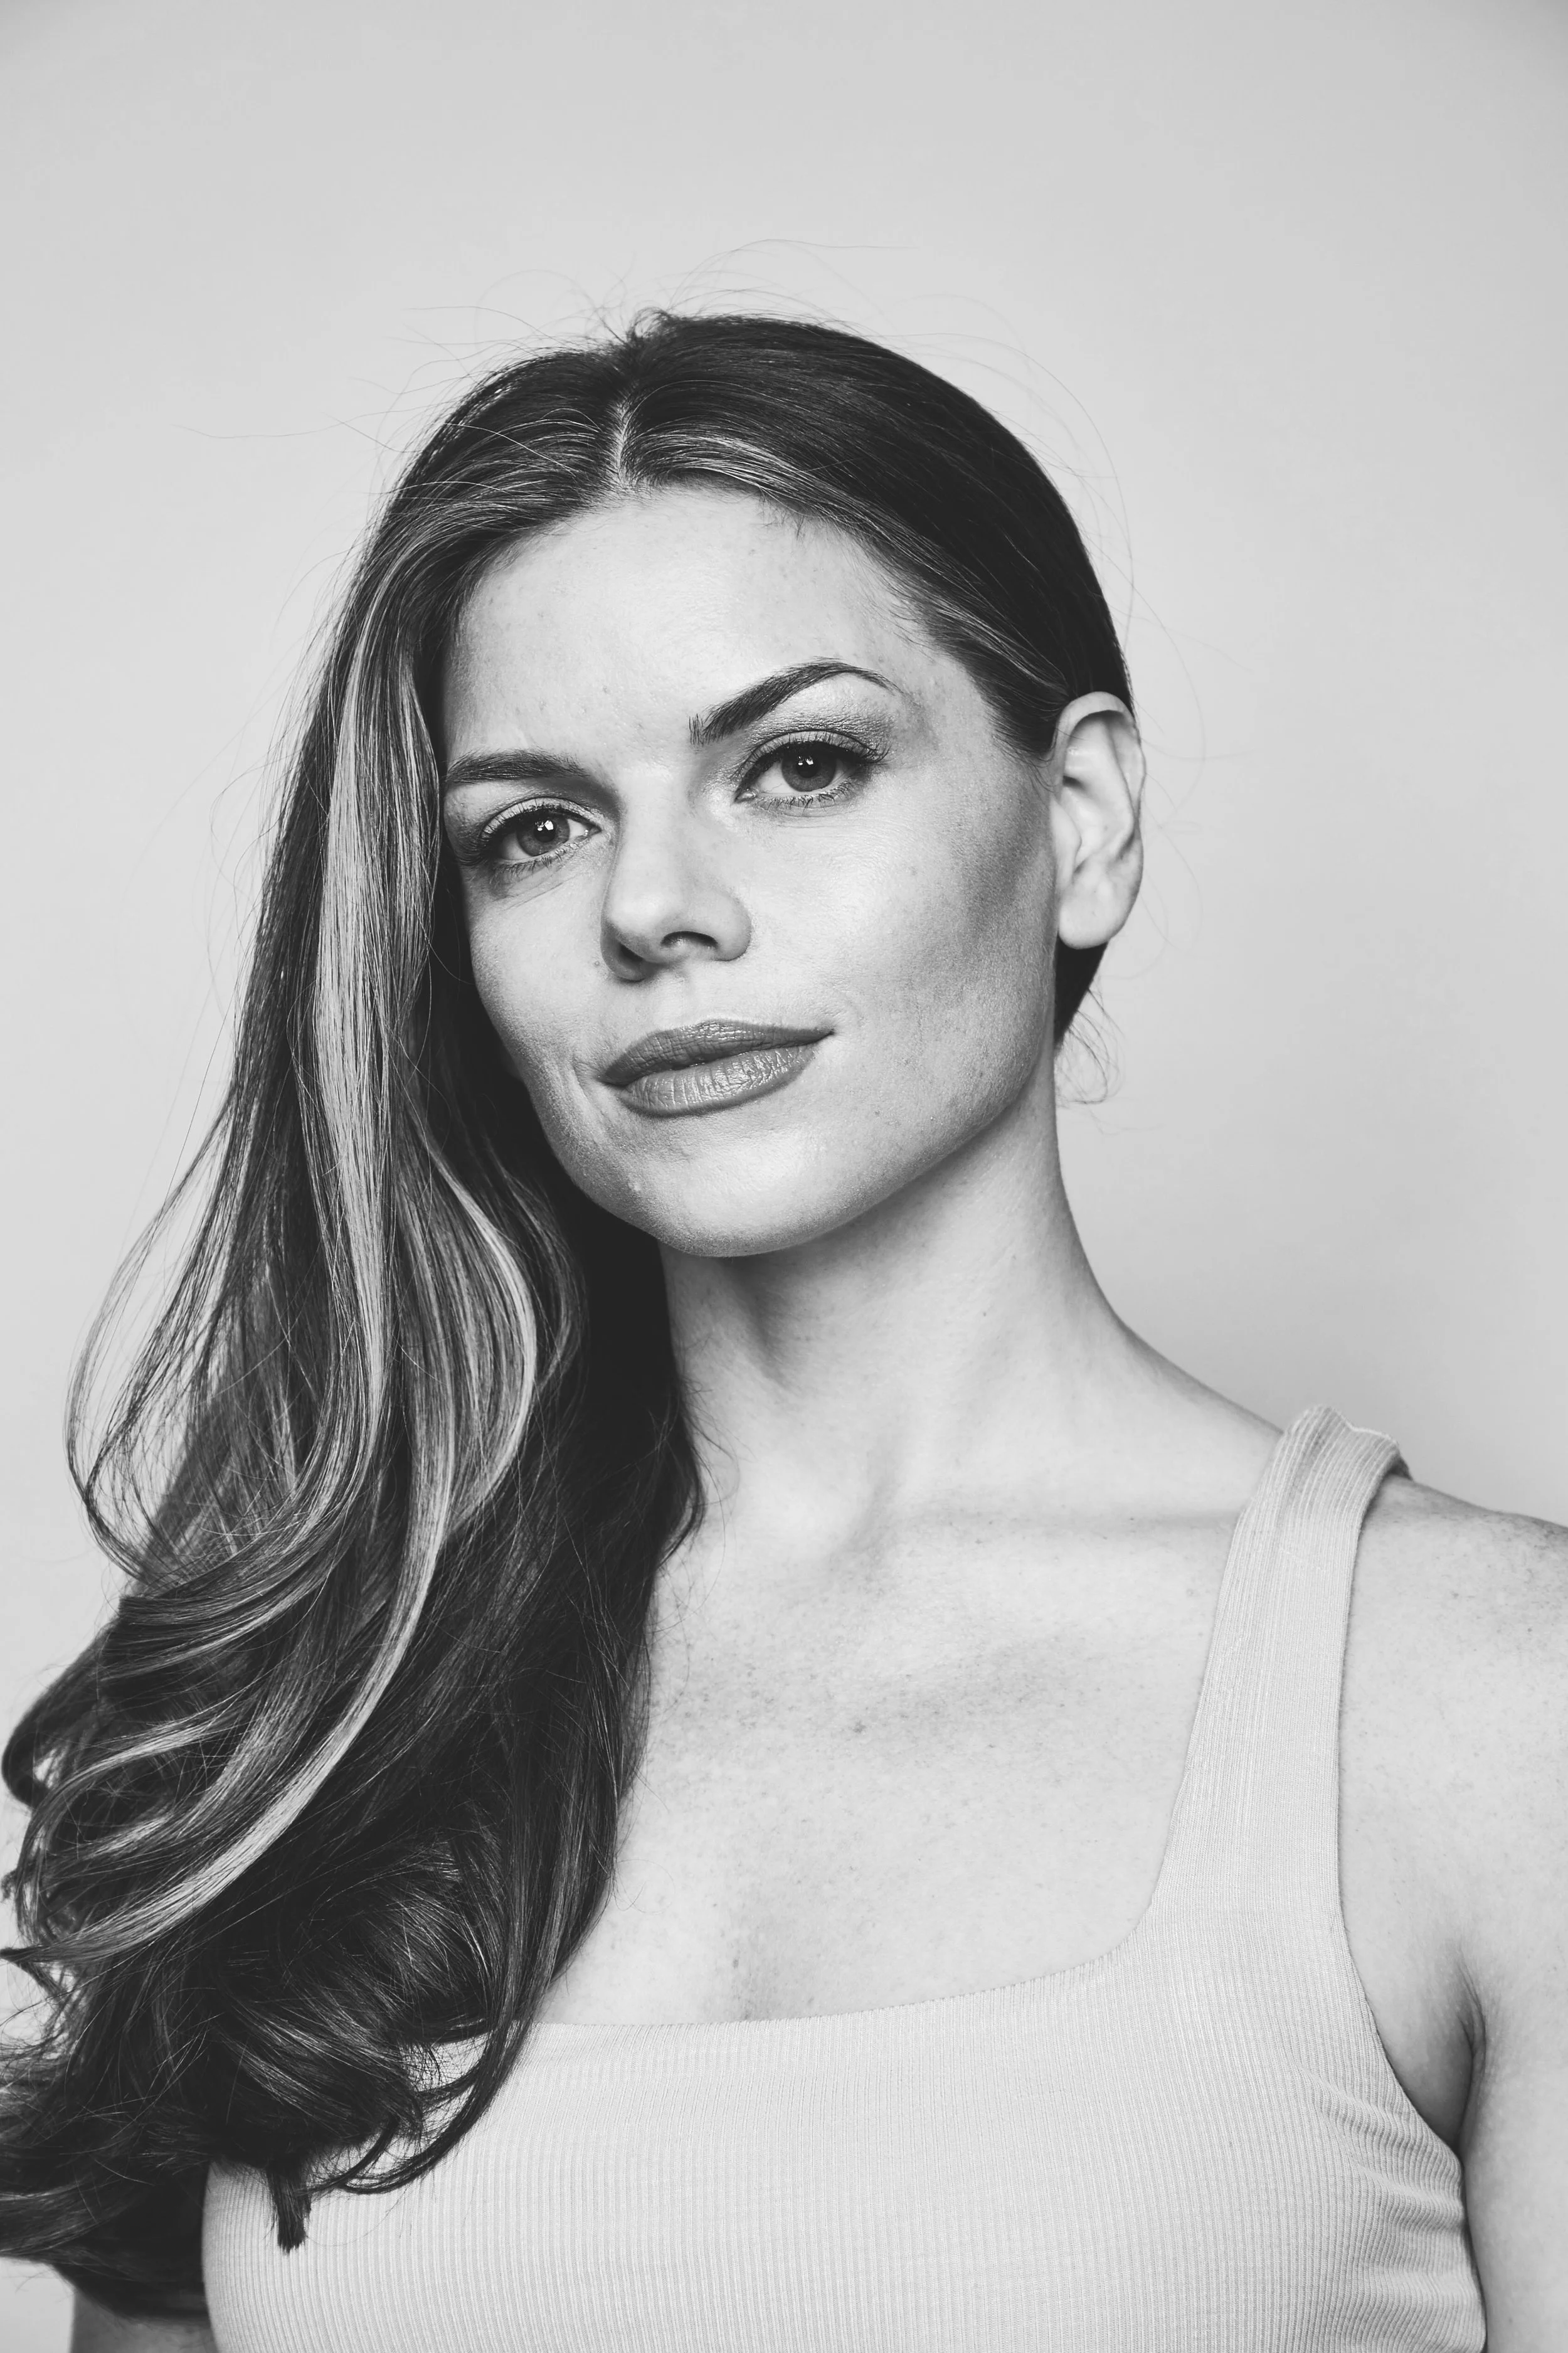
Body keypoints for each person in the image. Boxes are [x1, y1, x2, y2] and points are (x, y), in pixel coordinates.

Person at [2, 312, 1562, 2353]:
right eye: (534, 827)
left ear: (1082, 819)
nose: (653, 905)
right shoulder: (330, 1703)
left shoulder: (1481, 1705)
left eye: (798, 764)